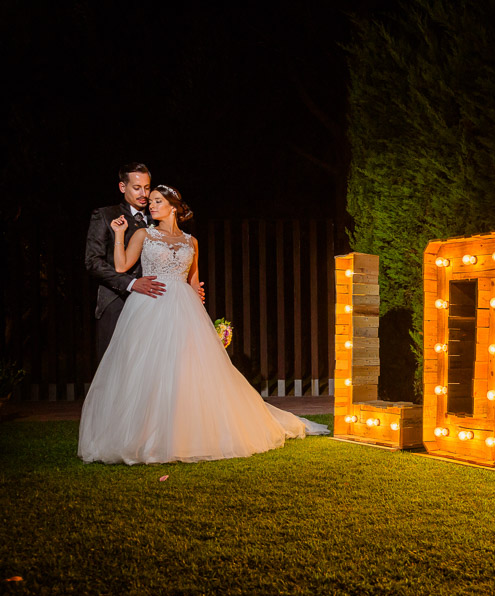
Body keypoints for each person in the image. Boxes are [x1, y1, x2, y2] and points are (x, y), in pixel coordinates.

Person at [78, 184, 328, 465]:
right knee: (148, 368)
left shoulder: (191, 242)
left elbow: (194, 281)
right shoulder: (142, 234)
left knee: (187, 371)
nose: (152, 205)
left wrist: (199, 300)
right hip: (150, 303)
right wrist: (120, 235)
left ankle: (185, 432)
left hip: (184, 307)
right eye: (151, 202)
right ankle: (145, 436)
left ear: (174, 207)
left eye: (158, 201)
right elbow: (122, 266)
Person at [85, 162, 166, 364]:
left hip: (153, 303)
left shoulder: (158, 216)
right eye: (137, 187)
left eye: (147, 187)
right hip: (116, 301)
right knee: (113, 368)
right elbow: (93, 262)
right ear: (123, 187)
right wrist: (130, 284)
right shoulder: (105, 215)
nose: (144, 194)